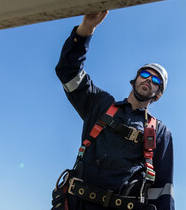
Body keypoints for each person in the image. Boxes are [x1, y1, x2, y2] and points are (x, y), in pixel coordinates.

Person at [53, 11, 174, 210]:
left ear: (158, 94)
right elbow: (68, 72)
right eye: (145, 74)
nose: (148, 80)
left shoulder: (160, 132)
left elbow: (163, 190)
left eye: (156, 81)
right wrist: (85, 31)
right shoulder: (99, 103)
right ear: (134, 80)